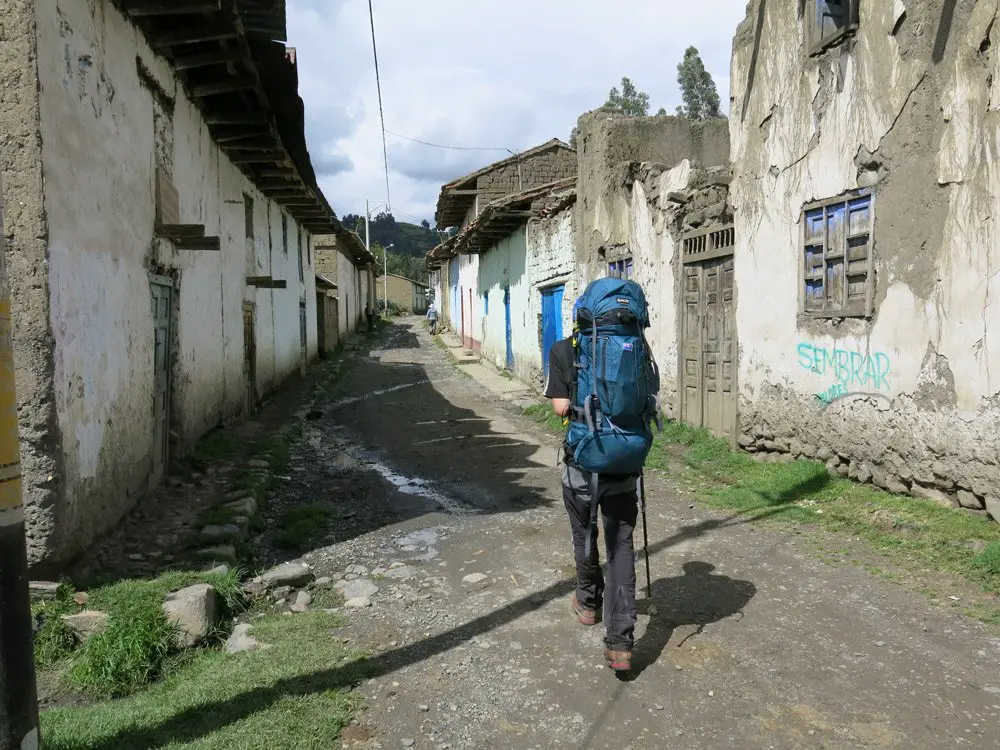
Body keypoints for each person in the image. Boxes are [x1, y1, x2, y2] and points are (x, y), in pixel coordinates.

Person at [545, 337, 640, 673]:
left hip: (582, 466)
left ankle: (588, 603)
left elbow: (559, 407)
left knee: (584, 534)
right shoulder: (632, 344)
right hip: (624, 463)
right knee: (621, 547)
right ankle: (620, 644)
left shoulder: (563, 350)